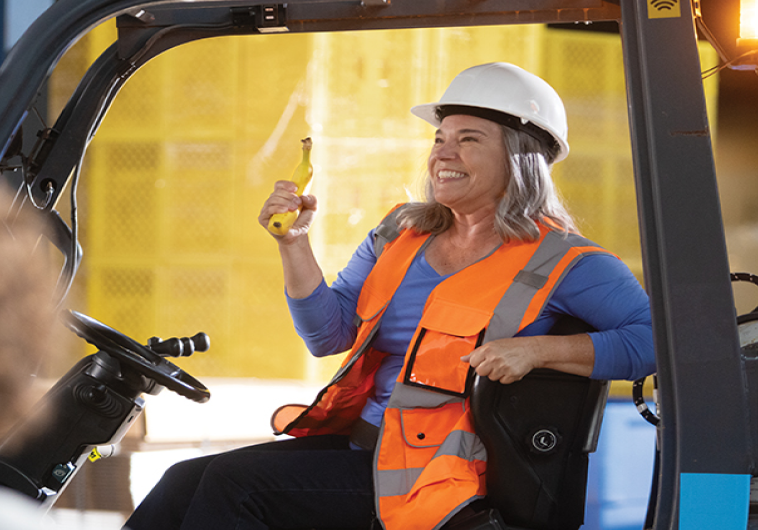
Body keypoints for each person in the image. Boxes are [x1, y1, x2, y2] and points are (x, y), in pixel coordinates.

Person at [124, 62, 655, 530]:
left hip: (445, 470)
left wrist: (538, 351)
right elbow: (327, 335)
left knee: (234, 485)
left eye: (468, 139)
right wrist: (293, 243)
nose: (443, 153)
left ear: (521, 158)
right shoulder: (401, 232)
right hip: (365, 445)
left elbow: (655, 341)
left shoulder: (567, 262)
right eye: (439, 139)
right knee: (181, 482)